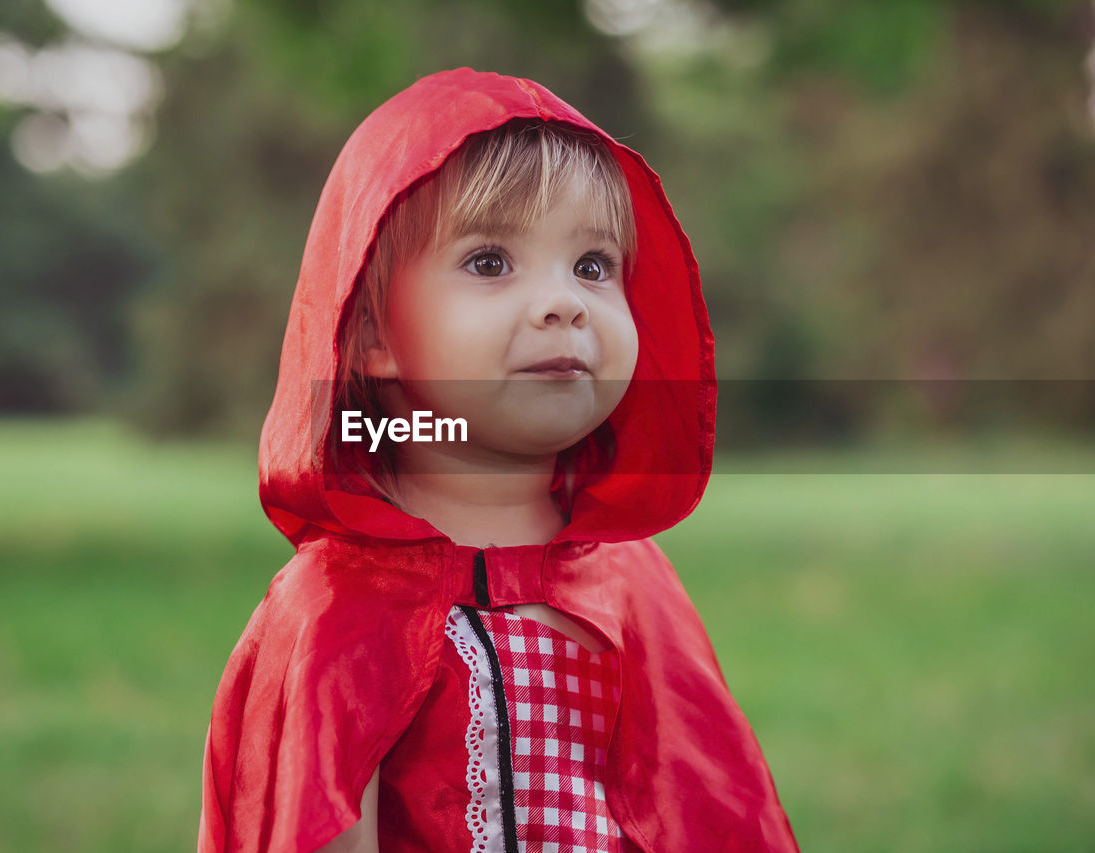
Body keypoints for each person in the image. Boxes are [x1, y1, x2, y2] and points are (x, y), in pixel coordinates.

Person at [198, 68, 799, 852]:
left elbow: (715, 818)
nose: (566, 302)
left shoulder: (629, 583)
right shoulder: (338, 607)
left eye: (593, 265)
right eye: (490, 262)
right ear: (372, 330)